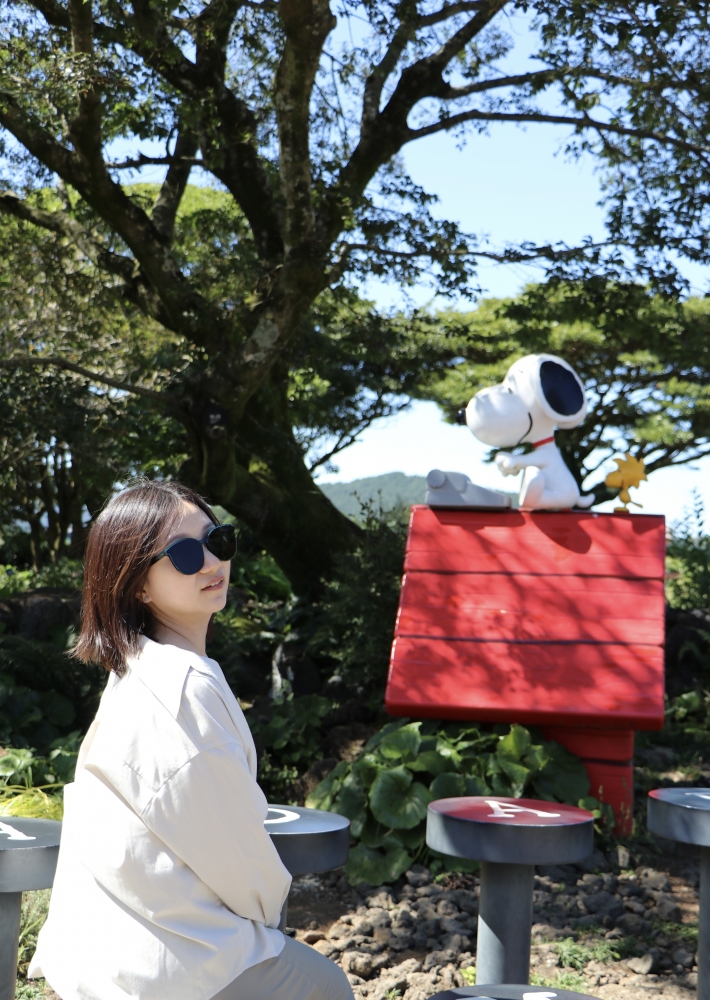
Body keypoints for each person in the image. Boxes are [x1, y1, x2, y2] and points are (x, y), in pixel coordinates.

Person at [29, 479, 354, 1000]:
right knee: (327, 987)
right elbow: (238, 860)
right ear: (137, 585)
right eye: (183, 553)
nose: (211, 561)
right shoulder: (181, 690)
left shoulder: (138, 670)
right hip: (164, 961)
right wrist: (268, 917)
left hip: (108, 944)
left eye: (218, 540)